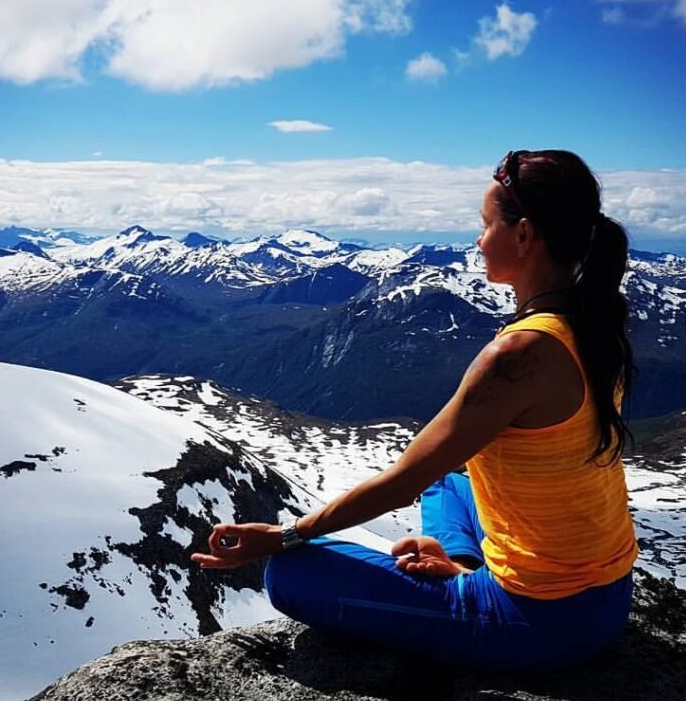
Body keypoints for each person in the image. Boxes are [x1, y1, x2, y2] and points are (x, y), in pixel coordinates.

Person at [191, 150, 638, 672]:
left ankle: (468, 583)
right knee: (448, 482)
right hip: (604, 592)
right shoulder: (590, 325)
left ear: (523, 236)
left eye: (486, 224)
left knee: (290, 575)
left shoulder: (518, 355)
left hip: (542, 620)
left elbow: (403, 480)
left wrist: (284, 535)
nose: (478, 240)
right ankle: (464, 564)